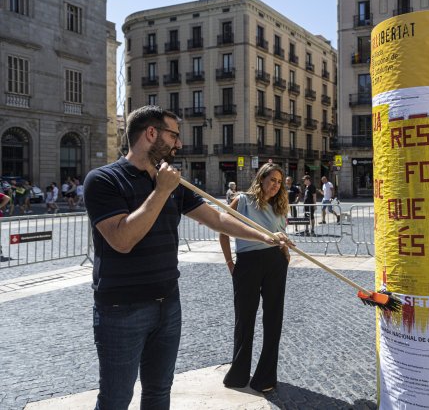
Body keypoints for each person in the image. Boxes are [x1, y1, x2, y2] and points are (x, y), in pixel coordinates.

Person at [83, 105, 288, 410]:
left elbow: (217, 220)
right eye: (174, 135)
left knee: (158, 391)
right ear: (151, 134)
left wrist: (266, 236)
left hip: (168, 305)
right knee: (115, 399)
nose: (179, 144)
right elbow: (122, 240)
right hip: (121, 309)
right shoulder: (103, 180)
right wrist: (161, 191)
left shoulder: (175, 185)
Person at [220, 162, 291, 394]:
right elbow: (223, 230)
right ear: (261, 179)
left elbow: (280, 234)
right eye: (272, 180)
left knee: (273, 319)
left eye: (279, 182)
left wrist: (285, 252)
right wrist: (230, 263)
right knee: (244, 319)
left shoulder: (280, 205)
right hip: (247, 264)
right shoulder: (242, 201)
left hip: (275, 263)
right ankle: (238, 374)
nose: (276, 185)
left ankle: (265, 377)